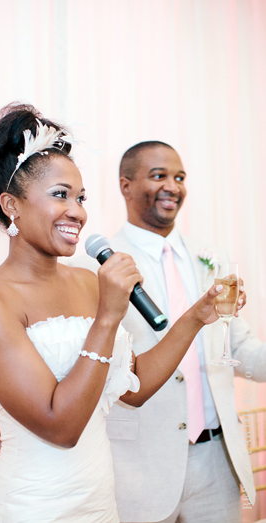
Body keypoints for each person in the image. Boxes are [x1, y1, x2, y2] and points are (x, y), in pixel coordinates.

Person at [0, 104, 237, 522]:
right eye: (60, 195)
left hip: (100, 500)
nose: (77, 211)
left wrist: (197, 315)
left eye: (81, 197)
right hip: (33, 505)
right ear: (11, 205)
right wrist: (106, 316)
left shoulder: (87, 281)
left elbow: (133, 388)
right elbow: (61, 427)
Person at [104, 141, 266, 523]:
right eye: (159, 176)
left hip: (216, 461)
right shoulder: (103, 263)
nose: (173, 187)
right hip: (138, 465)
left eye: (179, 177)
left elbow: (238, 346)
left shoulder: (212, 257)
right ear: (125, 185)